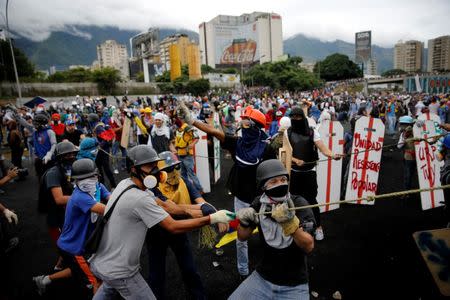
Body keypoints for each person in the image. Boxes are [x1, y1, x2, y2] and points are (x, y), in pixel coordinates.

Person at [89, 145, 234, 300]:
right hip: (122, 267)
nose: (158, 172)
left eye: (156, 166)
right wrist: (212, 218)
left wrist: (203, 208)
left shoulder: (127, 184)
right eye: (150, 166)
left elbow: (168, 206)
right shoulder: (140, 198)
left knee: (111, 289)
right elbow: (172, 225)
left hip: (107, 261)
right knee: (155, 277)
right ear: (133, 169)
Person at [176, 102, 276, 279]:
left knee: (267, 233)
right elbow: (214, 132)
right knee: (241, 236)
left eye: (246, 122)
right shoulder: (238, 143)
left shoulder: (267, 148)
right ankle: (243, 270)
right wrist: (192, 120)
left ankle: (270, 265)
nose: (241, 125)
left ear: (255, 126)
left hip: (262, 199)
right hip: (242, 198)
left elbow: (273, 174)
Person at [146, 151, 227, 299]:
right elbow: (170, 208)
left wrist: (215, 213)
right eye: (169, 169)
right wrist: (209, 215)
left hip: (180, 229)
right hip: (157, 232)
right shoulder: (152, 188)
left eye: (177, 167)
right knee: (156, 274)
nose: (175, 172)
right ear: (160, 173)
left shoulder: (183, 180)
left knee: (189, 268)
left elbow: (200, 200)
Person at [230, 159, 315, 299]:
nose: (280, 184)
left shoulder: (299, 203)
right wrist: (245, 222)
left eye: (283, 180)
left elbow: (309, 246)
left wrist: (290, 223)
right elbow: (242, 236)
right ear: (263, 186)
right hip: (263, 277)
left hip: (294, 284)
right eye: (273, 182)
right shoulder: (259, 204)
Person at [33, 159, 110, 297]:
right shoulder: (80, 197)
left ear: (97, 176)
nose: (88, 181)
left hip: (78, 244)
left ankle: (44, 280)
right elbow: (106, 209)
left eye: (91, 177)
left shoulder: (99, 187)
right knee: (95, 281)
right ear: (75, 180)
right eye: (82, 178)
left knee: (77, 269)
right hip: (73, 247)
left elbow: (110, 198)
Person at [288, 107, 341, 241]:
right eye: (293, 117)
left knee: (312, 200)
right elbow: (284, 153)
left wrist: (332, 155)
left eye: (298, 117)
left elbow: (323, 148)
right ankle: (297, 228)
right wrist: (295, 160)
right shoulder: (287, 133)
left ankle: (318, 227)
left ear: (303, 118)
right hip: (294, 173)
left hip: (309, 173)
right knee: (293, 201)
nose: (295, 119)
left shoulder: (312, 132)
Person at [39, 141, 78, 270]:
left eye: (73, 154)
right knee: (66, 247)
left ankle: (60, 264)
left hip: (66, 214)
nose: (71, 157)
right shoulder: (53, 174)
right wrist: (84, 198)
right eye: (67, 155)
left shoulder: (70, 169)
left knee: (70, 245)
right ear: (59, 157)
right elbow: (59, 199)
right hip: (56, 218)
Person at [174, 116, 203, 193]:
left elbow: (197, 137)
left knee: (191, 174)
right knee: (183, 174)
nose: (176, 120)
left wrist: (192, 144)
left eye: (178, 118)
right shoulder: (177, 128)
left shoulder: (188, 128)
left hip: (187, 155)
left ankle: (199, 189)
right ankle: (187, 189)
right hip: (180, 154)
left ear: (182, 119)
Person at [397, 116, 416, 192]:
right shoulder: (416, 131)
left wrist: (404, 137)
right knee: (410, 174)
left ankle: (406, 191)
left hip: (409, 157)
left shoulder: (404, 134)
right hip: (415, 156)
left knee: (408, 174)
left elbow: (399, 146)